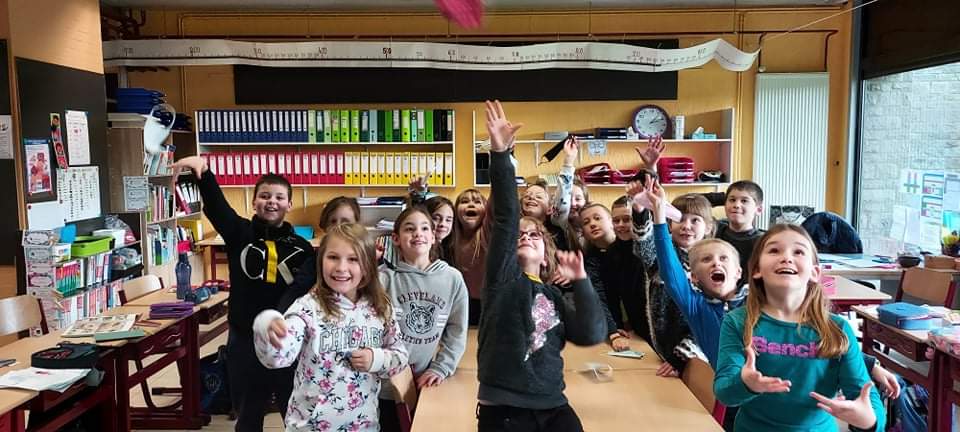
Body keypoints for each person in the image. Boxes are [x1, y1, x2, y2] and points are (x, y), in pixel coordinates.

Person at [477, 100, 605, 432]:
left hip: (552, 405)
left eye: (534, 235)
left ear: (546, 256)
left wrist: (581, 281)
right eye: (519, 235)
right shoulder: (502, 279)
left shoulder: (553, 295)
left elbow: (592, 333)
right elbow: (506, 216)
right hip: (505, 407)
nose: (525, 236)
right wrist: (500, 154)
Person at [171, 156, 314, 432]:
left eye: (279, 197)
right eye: (265, 196)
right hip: (244, 337)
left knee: (293, 410)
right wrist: (204, 174)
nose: (272, 202)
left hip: (286, 337)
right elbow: (219, 209)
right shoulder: (240, 233)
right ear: (254, 201)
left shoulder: (302, 247)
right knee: (248, 411)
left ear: (289, 204)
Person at [714, 224, 886, 431]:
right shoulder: (737, 322)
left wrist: (869, 421)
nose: (786, 257)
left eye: (798, 252)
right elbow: (724, 392)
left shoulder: (838, 328)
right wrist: (745, 383)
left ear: (815, 272)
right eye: (774, 250)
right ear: (757, 269)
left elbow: (865, 395)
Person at [253, 223, 408, 432]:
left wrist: (376, 359)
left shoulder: (381, 307)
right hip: (310, 427)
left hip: (364, 426)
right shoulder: (307, 307)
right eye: (333, 257)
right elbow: (276, 358)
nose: (341, 267)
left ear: (368, 266)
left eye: (353, 259)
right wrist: (268, 328)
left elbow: (400, 357)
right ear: (321, 261)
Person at [377, 207, 469, 431]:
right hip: (384, 386)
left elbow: (457, 331)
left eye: (425, 228)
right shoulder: (383, 279)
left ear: (433, 236)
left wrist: (442, 367)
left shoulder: (452, 279)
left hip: (426, 381)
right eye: (410, 229)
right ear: (396, 239)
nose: (418, 233)